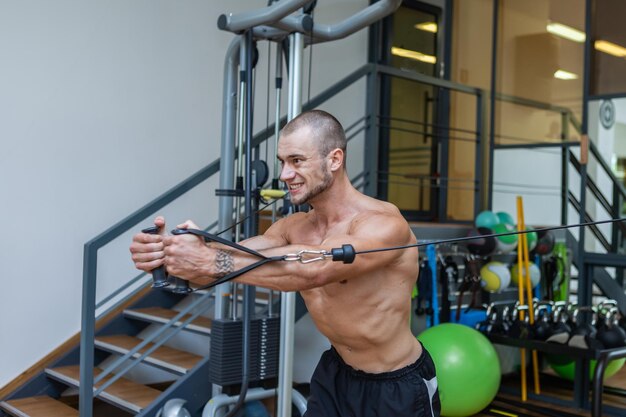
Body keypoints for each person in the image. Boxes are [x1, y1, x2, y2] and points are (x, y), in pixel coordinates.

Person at [130, 109, 440, 417]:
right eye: (282, 162)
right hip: (335, 375)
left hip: (395, 385)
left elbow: (313, 270)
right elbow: (234, 260)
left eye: (297, 161)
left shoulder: (383, 224)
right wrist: (169, 256)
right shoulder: (293, 227)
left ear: (334, 159)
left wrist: (207, 260)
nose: (284, 175)